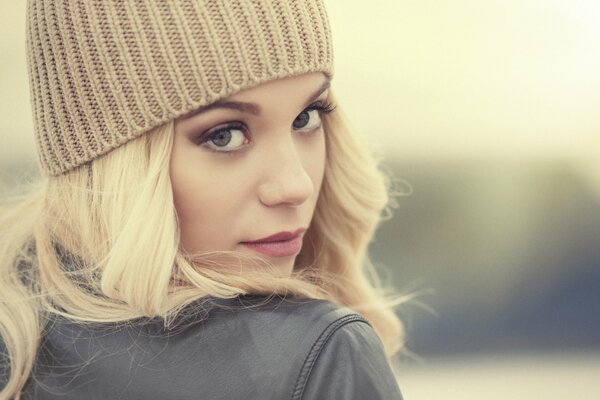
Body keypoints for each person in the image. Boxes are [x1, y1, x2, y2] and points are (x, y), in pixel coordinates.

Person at [0, 0, 406, 398]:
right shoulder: (319, 357)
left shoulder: (13, 330)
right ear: (116, 165)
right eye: (225, 135)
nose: (294, 185)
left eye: (307, 117)